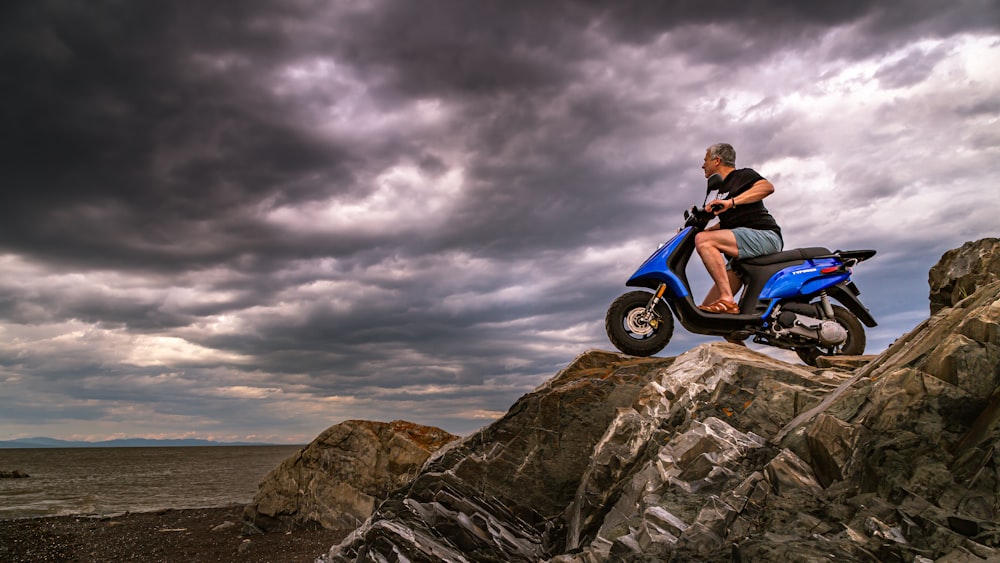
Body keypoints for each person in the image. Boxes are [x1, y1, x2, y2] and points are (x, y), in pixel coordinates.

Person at [695, 143, 783, 314]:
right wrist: (701, 231)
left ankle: (727, 299)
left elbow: (767, 187)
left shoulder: (743, 175)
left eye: (705, 160)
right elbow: (729, 223)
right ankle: (734, 333)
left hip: (765, 236)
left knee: (703, 241)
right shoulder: (720, 190)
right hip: (741, 256)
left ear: (717, 160)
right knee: (709, 315)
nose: (702, 165)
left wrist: (731, 202)